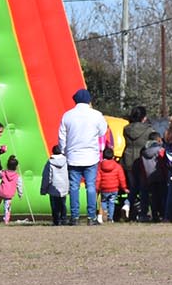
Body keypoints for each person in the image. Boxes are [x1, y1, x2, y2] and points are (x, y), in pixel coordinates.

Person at [57, 89, 107, 225]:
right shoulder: (96, 115)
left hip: (73, 156)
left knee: (74, 187)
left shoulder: (67, 115)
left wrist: (64, 151)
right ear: (89, 100)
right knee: (91, 186)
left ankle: (75, 217)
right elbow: (103, 131)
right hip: (91, 156)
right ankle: (91, 217)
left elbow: (61, 137)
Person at [121, 106, 152, 221]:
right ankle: (143, 213)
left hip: (128, 158)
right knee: (143, 188)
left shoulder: (126, 129)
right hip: (141, 159)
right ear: (144, 117)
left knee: (133, 186)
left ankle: (127, 204)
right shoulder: (148, 130)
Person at [42, 144, 71, 225]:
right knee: (63, 204)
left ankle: (56, 220)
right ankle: (63, 219)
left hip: (53, 186)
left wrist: (44, 188)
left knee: (54, 206)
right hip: (64, 186)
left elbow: (47, 176)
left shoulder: (49, 162)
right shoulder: (66, 162)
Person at [97, 148, 127, 222]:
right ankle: (111, 218)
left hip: (104, 188)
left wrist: (97, 188)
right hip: (114, 189)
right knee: (112, 203)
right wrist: (124, 187)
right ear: (113, 156)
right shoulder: (117, 166)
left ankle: (104, 212)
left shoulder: (100, 166)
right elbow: (121, 178)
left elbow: (98, 178)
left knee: (103, 202)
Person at [0, 156, 22, 223]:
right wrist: (20, 194)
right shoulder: (17, 176)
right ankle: (6, 219)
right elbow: (19, 186)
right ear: (16, 167)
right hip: (9, 194)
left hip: (2, 192)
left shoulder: (4, 173)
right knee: (7, 207)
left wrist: (0, 171)